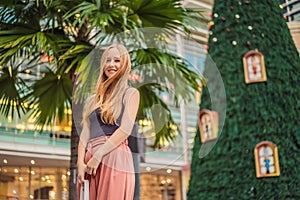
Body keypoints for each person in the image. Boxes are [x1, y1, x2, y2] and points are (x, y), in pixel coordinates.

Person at [77, 43, 140, 200]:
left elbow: (125, 129)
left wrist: (98, 155)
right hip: (89, 159)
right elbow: (84, 135)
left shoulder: (130, 93)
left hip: (114, 155)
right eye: (108, 60)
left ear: (124, 65)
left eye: (117, 60)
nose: (111, 64)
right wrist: (79, 163)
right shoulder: (93, 100)